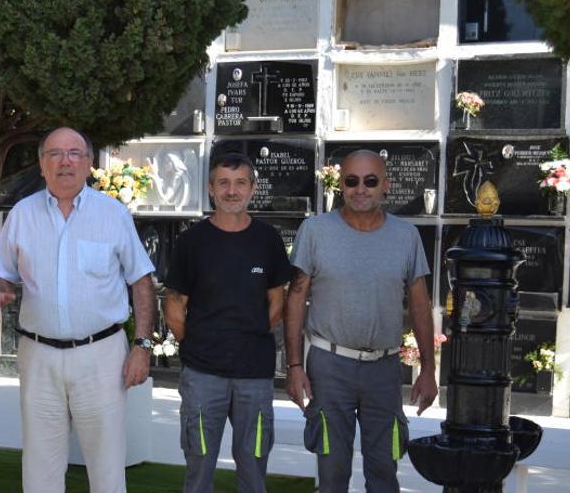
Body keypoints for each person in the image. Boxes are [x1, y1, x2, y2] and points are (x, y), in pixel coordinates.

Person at [0, 127, 156, 493]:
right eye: (55, 154)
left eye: (75, 153)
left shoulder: (113, 214)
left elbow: (141, 281)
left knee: (107, 465)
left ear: (89, 163)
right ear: (41, 164)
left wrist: (142, 345)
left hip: (101, 356)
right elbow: (0, 274)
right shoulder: (22, 214)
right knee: (39, 466)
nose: (65, 161)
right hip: (39, 356)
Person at [284, 149, 438, 492]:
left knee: (384, 471)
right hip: (328, 365)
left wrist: (428, 369)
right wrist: (294, 366)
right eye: (351, 181)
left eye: (370, 181)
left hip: (383, 369)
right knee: (332, 472)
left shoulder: (406, 236)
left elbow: (419, 305)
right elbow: (295, 297)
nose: (361, 188)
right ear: (341, 184)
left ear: (386, 185)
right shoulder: (315, 230)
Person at [164, 152, 291, 493]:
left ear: (252, 188)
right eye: (223, 183)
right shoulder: (192, 242)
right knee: (199, 467)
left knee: (253, 468)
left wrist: (250, 338)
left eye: (239, 183)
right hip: (203, 375)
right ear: (211, 189)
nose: (231, 191)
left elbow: (277, 302)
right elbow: (174, 306)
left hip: (255, 375)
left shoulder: (268, 240)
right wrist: (197, 345)